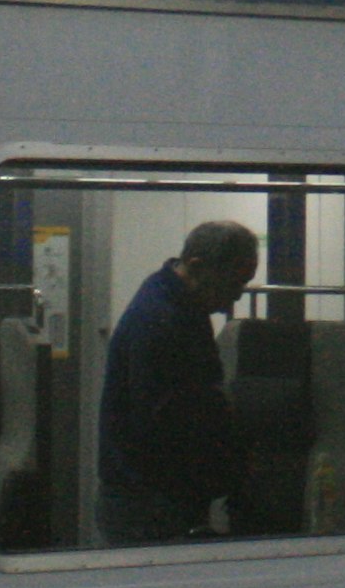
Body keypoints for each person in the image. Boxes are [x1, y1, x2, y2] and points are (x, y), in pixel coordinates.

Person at [96, 220, 260, 544]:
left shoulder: (175, 301)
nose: (236, 298)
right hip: (148, 504)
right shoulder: (161, 321)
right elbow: (167, 425)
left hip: (146, 498)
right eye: (233, 284)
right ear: (197, 267)